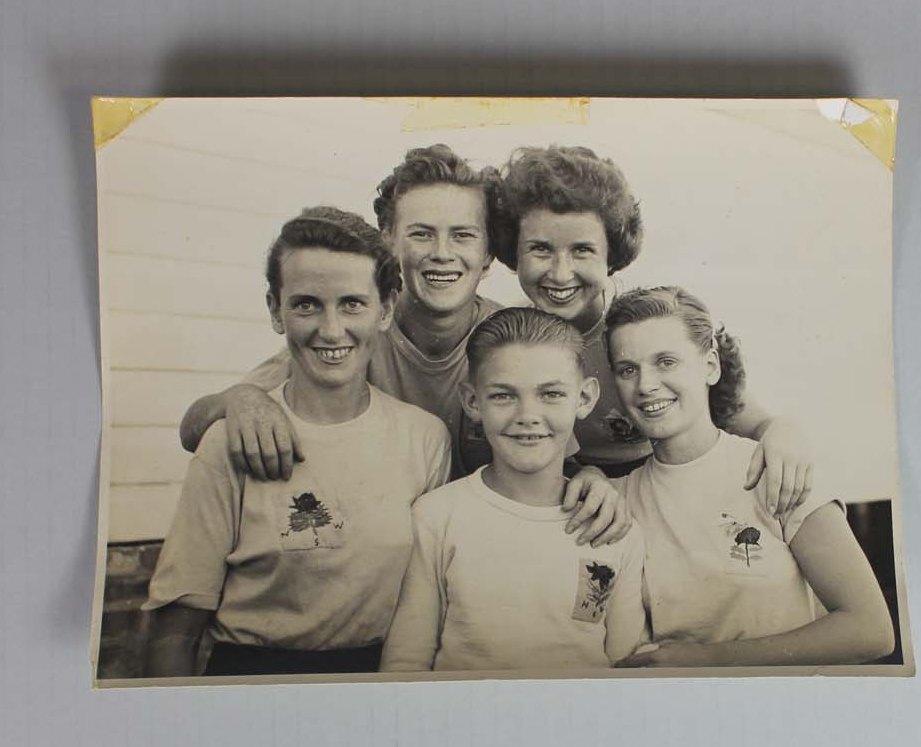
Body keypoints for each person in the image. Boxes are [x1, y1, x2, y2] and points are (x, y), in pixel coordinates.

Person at [178, 145, 629, 546]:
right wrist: (242, 399)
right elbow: (194, 427)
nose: (441, 253)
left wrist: (588, 475)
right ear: (388, 243)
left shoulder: (510, 339)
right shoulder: (354, 334)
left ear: (489, 253)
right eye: (420, 233)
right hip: (375, 553)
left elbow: (554, 458)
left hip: (475, 550)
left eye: (463, 235)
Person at [143, 207, 451, 677]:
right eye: (307, 304)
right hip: (254, 680)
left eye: (352, 303)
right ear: (275, 310)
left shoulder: (425, 438)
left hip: (386, 678)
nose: (331, 330)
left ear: (385, 310)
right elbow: (176, 632)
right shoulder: (231, 438)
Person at [493, 145, 814, 516]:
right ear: (513, 254)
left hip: (663, 490)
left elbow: (753, 419)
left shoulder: (639, 331)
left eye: (582, 251)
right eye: (540, 250)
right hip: (569, 500)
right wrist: (586, 474)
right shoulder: (509, 341)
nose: (561, 273)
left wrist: (784, 433)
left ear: (611, 255)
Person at [605, 287, 894, 667]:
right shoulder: (618, 499)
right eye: (628, 369)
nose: (645, 385)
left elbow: (871, 629)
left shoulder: (777, 468)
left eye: (666, 362)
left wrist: (706, 661)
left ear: (710, 365)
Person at [381, 308, 646, 672]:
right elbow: (405, 663)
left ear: (584, 398)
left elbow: (628, 667)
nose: (528, 415)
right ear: (473, 402)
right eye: (504, 396)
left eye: (551, 393)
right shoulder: (436, 517)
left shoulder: (612, 527)